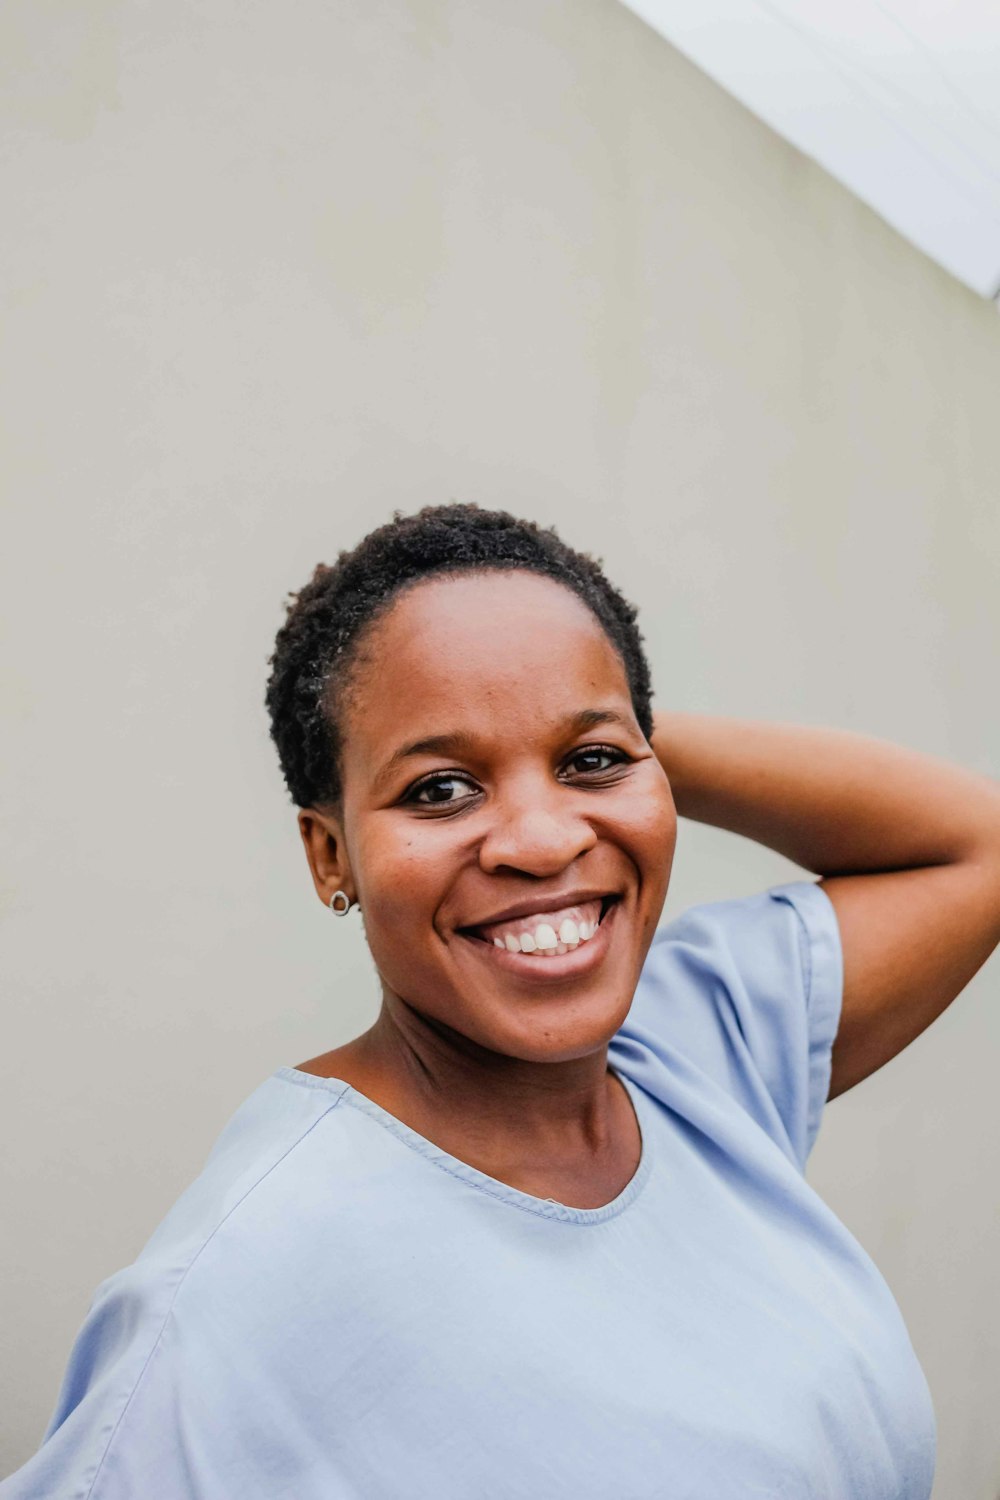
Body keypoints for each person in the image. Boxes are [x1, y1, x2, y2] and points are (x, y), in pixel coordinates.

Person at [5, 502, 1000, 1500]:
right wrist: (568, 729)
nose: (540, 840)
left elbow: (976, 846)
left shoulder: (694, 1049)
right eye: (439, 789)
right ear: (330, 853)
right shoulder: (241, 1290)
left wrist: (594, 720)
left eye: (593, 764)